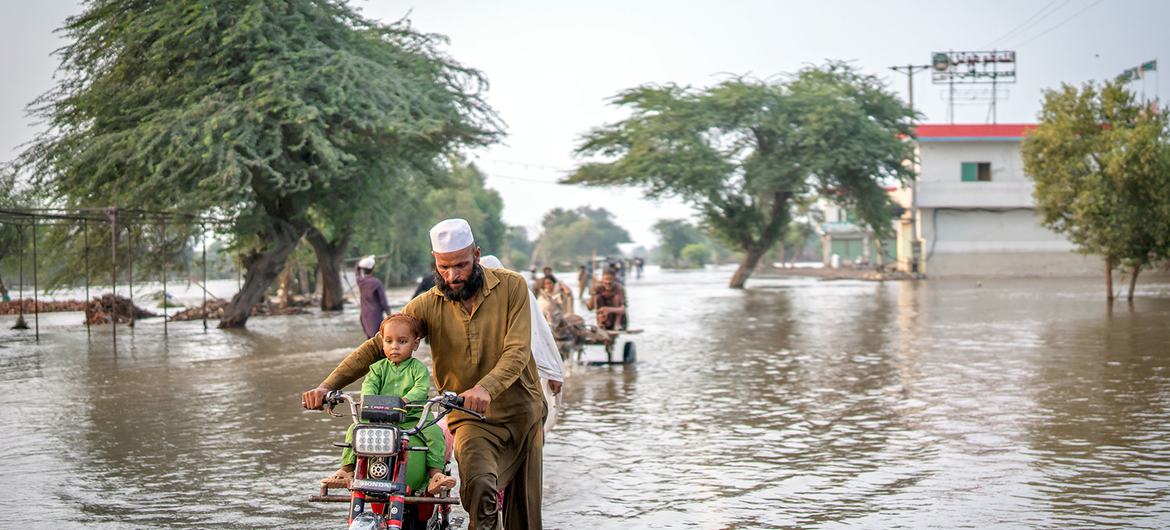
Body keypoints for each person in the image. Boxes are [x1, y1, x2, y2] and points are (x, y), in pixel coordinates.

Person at [303, 219, 545, 530]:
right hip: (469, 416)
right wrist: (325, 387)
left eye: (461, 265)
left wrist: (486, 388)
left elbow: (518, 350)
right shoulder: (427, 304)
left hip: (522, 412)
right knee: (479, 486)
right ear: (435, 262)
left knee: (524, 516)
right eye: (444, 267)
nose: (453, 276)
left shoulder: (512, 286)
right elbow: (376, 347)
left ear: (477, 254)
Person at [323, 313, 456, 496]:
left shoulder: (417, 368)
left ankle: (435, 474)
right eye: (389, 341)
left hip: (412, 419)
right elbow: (369, 386)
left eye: (402, 341)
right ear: (382, 343)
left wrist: (406, 400)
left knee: (434, 433)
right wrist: (370, 400)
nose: (394, 346)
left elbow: (421, 388)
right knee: (354, 429)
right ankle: (346, 470)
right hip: (379, 420)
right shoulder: (377, 368)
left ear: (415, 344)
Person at [481, 255, 564, 433]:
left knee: (527, 423)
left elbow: (540, 335)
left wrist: (553, 373)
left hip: (524, 371)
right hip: (490, 376)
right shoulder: (469, 298)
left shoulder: (520, 293)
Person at [356, 255, 390, 339]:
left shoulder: (360, 281)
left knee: (369, 340)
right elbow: (383, 301)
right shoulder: (376, 283)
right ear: (373, 269)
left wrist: (360, 261)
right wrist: (389, 314)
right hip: (375, 316)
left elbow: (357, 271)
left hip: (364, 316)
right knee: (377, 340)